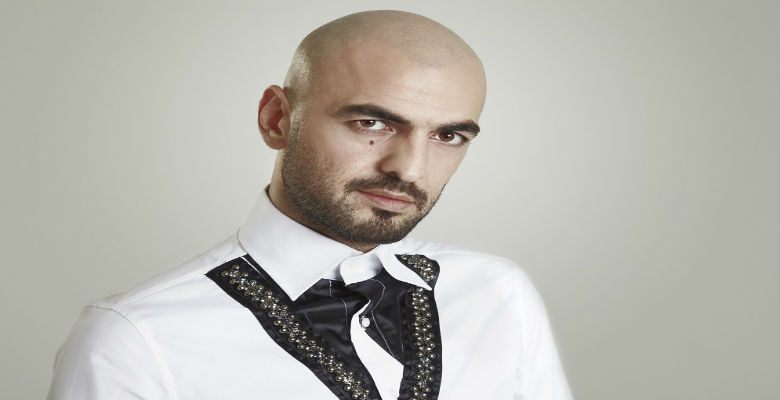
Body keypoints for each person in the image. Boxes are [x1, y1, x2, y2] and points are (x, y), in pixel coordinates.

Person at [48, 10, 573, 400]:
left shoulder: (496, 295)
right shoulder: (137, 339)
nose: (410, 169)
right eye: (371, 122)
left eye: (449, 135)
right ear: (277, 119)